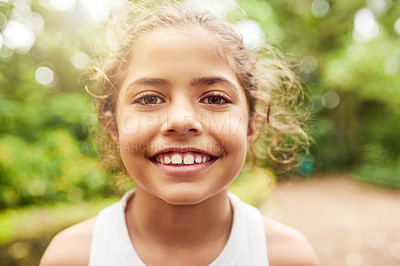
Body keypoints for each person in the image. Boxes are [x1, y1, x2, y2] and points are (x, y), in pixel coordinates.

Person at [40, 1, 318, 265]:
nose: (182, 121)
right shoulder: (72, 258)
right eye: (150, 99)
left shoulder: (287, 258)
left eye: (215, 99)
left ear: (251, 126)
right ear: (114, 128)